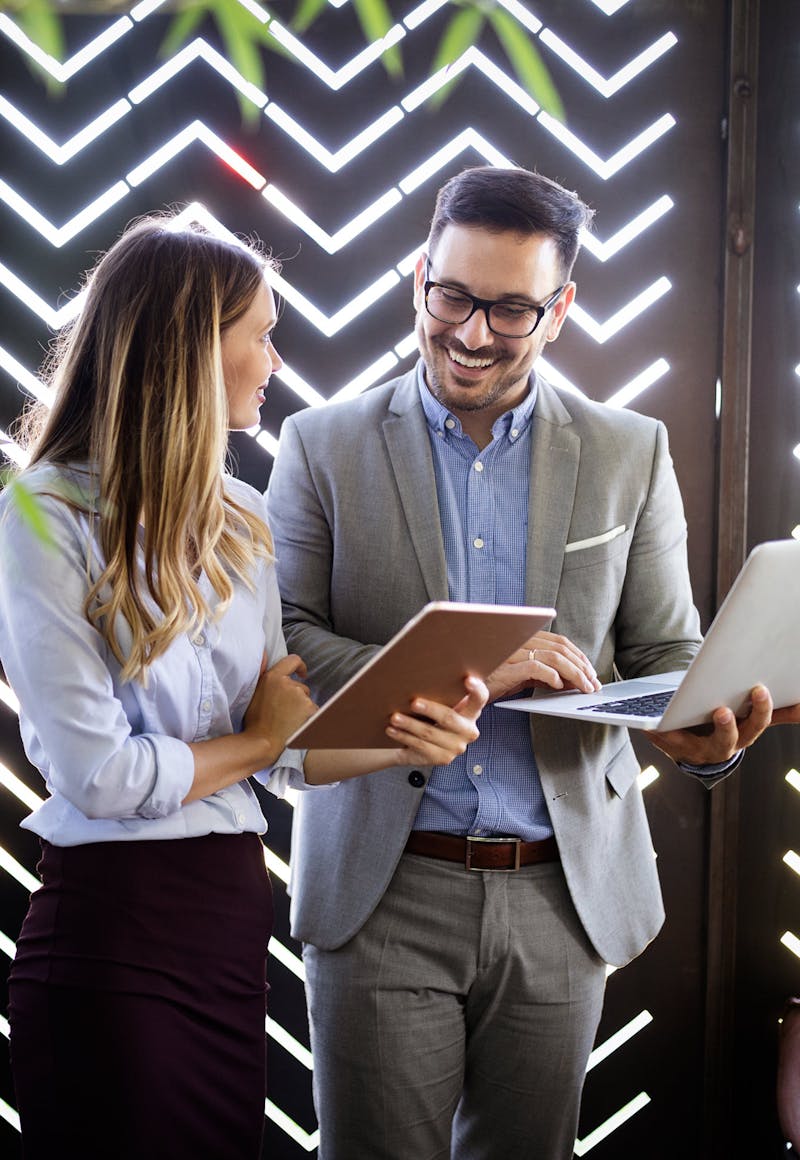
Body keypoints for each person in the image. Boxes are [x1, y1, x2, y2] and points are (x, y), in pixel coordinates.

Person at [265, 165, 800, 1159]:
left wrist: (709, 736)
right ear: (418, 275)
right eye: (453, 296)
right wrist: (479, 663)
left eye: (509, 309)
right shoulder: (321, 444)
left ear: (559, 309)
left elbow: (664, 652)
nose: (471, 332)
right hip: (383, 888)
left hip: (561, 895)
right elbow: (280, 651)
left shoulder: (626, 450)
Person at [0, 217, 487, 1160]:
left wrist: (408, 738)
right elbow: (97, 775)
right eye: (259, 335)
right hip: (114, 932)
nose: (274, 358)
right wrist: (261, 745)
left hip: (227, 928)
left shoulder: (241, 518)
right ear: (187, 350)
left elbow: (286, 746)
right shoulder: (43, 517)